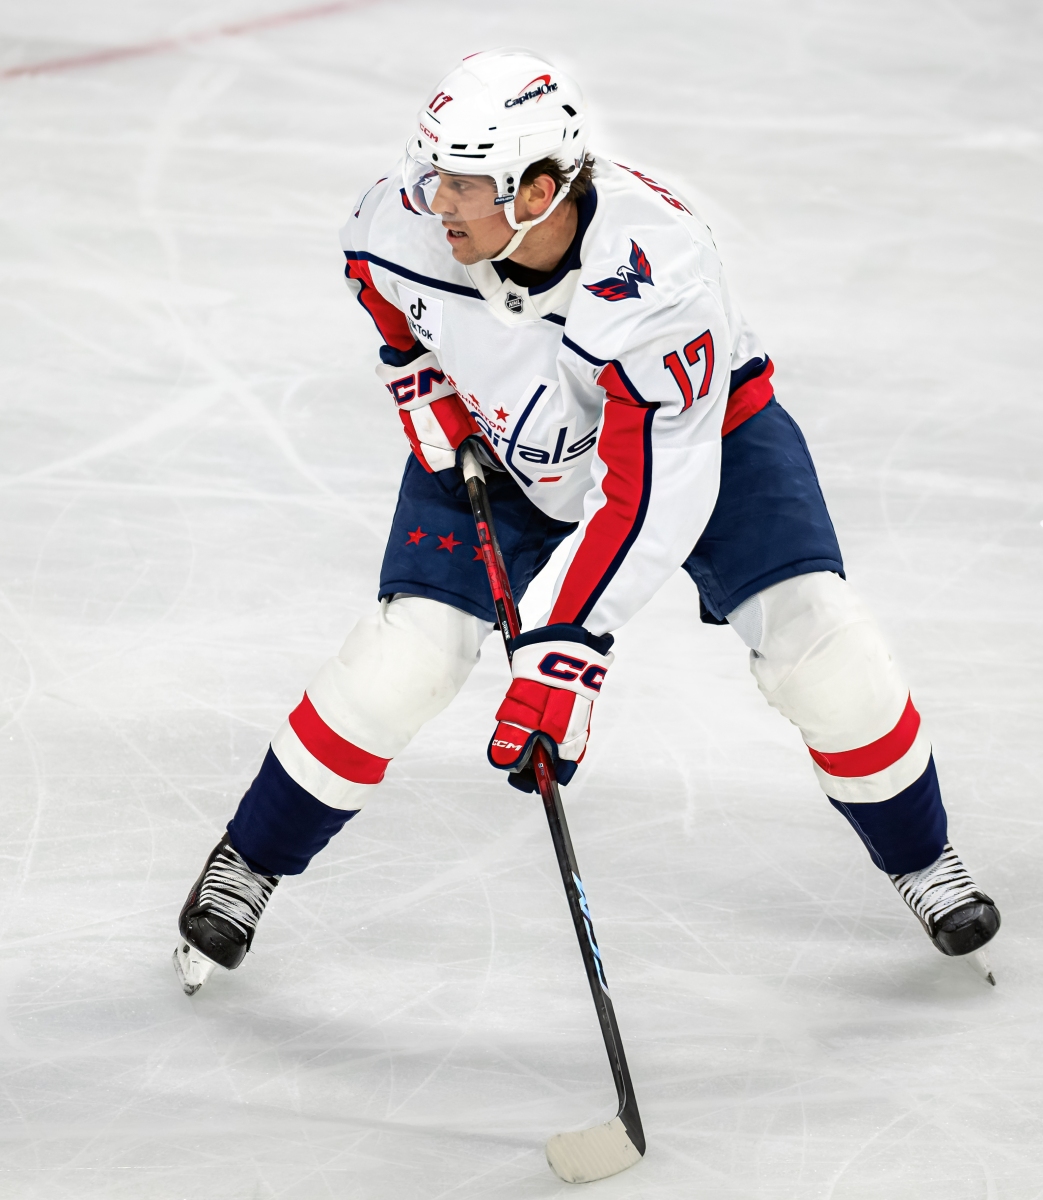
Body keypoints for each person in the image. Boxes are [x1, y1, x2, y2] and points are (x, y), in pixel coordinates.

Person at [173, 48, 999, 995]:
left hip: (700, 440)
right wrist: (418, 383)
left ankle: (921, 857)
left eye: (463, 184)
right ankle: (249, 862)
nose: (435, 201)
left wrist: (563, 652)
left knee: (819, 642)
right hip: (499, 439)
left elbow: (645, 495)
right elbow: (379, 289)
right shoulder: (402, 217)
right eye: (433, 171)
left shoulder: (660, 277)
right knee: (404, 659)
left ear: (536, 191)